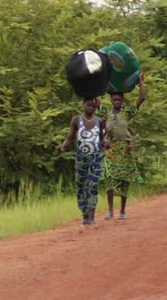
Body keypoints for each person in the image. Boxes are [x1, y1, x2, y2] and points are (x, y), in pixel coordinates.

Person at [100, 73, 145, 220]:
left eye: (119, 99)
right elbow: (95, 100)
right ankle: (111, 210)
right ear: (111, 101)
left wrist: (140, 82)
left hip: (124, 150)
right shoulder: (105, 112)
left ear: (122, 100)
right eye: (114, 100)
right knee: (109, 179)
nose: (117, 102)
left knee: (125, 180)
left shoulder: (127, 112)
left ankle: (123, 211)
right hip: (110, 149)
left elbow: (141, 99)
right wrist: (94, 81)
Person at [57, 97, 107, 226]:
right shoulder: (76, 120)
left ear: (96, 107)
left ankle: (91, 218)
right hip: (81, 160)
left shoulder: (99, 121)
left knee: (93, 186)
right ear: (83, 105)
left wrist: (106, 145)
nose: (90, 107)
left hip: (96, 158)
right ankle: (85, 217)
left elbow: (101, 139)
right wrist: (63, 146)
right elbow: (69, 138)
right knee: (81, 187)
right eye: (88, 105)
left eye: (93, 106)